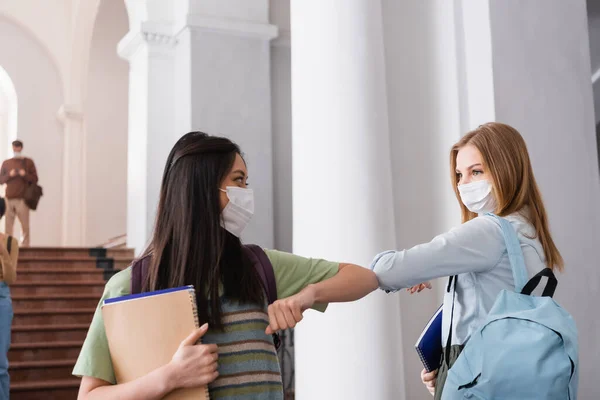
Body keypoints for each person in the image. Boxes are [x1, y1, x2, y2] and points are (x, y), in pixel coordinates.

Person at [73, 132, 378, 400]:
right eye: (238, 181)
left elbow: (365, 278)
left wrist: (308, 295)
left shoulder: (260, 266)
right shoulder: (130, 285)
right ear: (201, 188)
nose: (246, 193)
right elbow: (91, 396)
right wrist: (171, 377)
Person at [369, 122, 564, 399]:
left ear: (506, 169)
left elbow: (390, 270)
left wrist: (394, 265)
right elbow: (485, 305)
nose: (464, 185)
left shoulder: (489, 231)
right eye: (460, 175)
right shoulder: (531, 231)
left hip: (479, 372)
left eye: (477, 172)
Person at [0, 140, 38, 247]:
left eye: (18, 148)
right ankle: (7, 247)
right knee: (8, 226)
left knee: (25, 226)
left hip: (22, 199)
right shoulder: (6, 163)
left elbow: (35, 179)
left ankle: (25, 246)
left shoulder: (28, 162)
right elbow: (1, 180)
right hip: (8, 198)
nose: (16, 150)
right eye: (14, 148)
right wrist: (10, 175)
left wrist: (24, 174)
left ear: (21, 148)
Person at [0, 220, 20, 399]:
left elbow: (10, 277)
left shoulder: (9, 242)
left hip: (1, 297)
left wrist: (2, 250)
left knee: (0, 365)